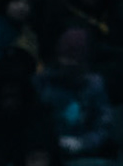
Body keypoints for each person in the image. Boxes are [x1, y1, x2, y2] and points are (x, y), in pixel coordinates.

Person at [33, 28, 113, 157]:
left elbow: (103, 126)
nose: (69, 66)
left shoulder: (94, 86)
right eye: (65, 59)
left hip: (83, 152)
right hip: (45, 151)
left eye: (74, 61)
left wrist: (83, 143)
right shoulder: (42, 82)